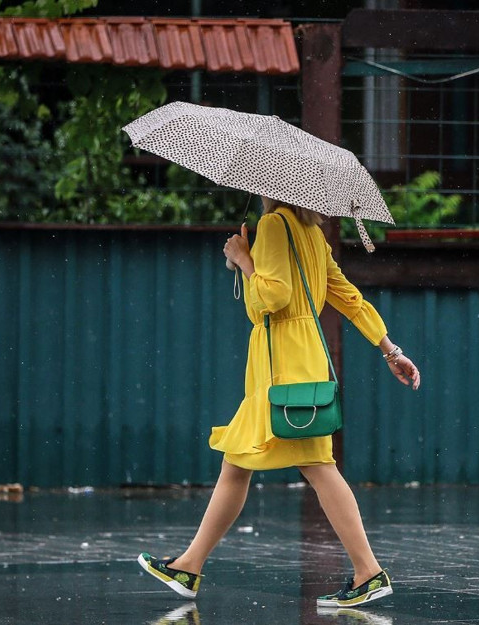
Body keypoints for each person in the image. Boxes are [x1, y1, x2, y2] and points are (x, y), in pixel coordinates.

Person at [138, 197, 421, 608]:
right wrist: (390, 350)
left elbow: (271, 299)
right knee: (242, 460)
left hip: (280, 364)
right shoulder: (313, 233)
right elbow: (349, 298)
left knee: (314, 466)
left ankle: (369, 572)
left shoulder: (273, 226)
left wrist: (243, 259)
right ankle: (189, 565)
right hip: (298, 361)